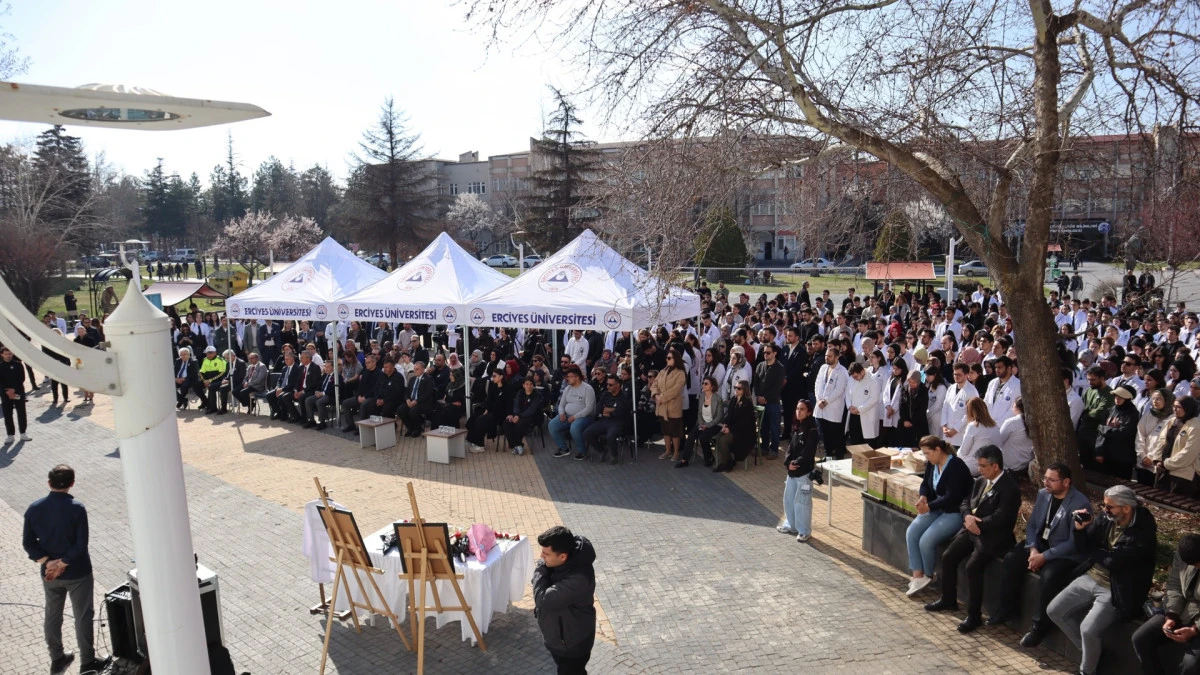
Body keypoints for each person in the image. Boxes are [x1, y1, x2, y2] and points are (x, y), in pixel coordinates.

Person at [1048, 485, 1158, 675]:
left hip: (1116, 589)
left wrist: (1099, 553)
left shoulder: (1144, 533)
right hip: (1091, 576)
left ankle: (1087, 670)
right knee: (1054, 610)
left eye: (1110, 506)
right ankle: (1094, 653)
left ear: (1126, 508)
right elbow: (1085, 548)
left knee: (1088, 630)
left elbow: (1114, 562)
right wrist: (1080, 529)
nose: (1104, 510)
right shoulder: (1106, 518)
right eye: (1104, 505)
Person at [989, 462, 1092, 647]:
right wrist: (1033, 549)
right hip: (1040, 545)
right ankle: (1007, 609)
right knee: (1012, 559)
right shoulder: (1043, 494)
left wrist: (1045, 556)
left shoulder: (1080, 503)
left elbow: (1073, 542)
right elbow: (1032, 525)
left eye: (1052, 480)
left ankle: (1039, 627)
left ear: (1066, 482)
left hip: (1064, 553)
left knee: (1049, 577)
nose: (1046, 482)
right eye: (1045, 478)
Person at [923, 445, 1020, 634]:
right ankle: (948, 600)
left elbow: (1002, 517)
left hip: (994, 537)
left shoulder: (1010, 489)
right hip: (971, 529)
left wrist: (978, 523)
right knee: (949, 556)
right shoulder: (981, 481)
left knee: (973, 567)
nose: (979, 469)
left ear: (996, 466)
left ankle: (974, 615)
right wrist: (967, 518)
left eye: (983, 466)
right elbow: (966, 501)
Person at [22, 465, 109, 674]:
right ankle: (87, 663)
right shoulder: (77, 508)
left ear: (48, 483)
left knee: (52, 614)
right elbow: (81, 545)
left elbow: (28, 543)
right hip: (78, 572)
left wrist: (48, 563)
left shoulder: (34, 508)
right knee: (82, 616)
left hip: (50, 575)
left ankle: (57, 658)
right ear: (72, 483)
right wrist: (63, 563)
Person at [905, 436, 973, 597]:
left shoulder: (956, 466)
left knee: (926, 541)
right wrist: (923, 496)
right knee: (912, 532)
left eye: (928, 453)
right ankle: (917, 575)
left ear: (938, 450)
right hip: (937, 508)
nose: (926, 457)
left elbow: (952, 496)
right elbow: (926, 485)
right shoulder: (932, 463)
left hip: (954, 511)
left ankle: (929, 576)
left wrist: (929, 506)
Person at [1133, 533, 1200, 675]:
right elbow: (1175, 584)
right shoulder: (1185, 552)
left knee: (1191, 664)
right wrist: (1171, 615)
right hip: (1184, 611)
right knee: (1140, 638)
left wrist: (1195, 630)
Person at [533, 526, 596, 674]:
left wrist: (540, 570)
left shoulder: (578, 579)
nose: (541, 557)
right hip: (562, 638)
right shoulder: (563, 561)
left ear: (562, 557)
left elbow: (543, 600)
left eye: (546, 554)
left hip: (572, 645)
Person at [778, 400, 818, 543]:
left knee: (802, 503)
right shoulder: (797, 426)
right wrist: (788, 462)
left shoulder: (812, 430)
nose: (798, 411)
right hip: (792, 472)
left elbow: (808, 452)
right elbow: (790, 447)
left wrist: (796, 463)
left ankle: (804, 531)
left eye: (802, 409)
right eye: (797, 408)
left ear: (809, 412)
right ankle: (791, 525)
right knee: (789, 499)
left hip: (804, 472)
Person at [1148, 395, 1200, 495]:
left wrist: (1167, 464)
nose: (1175, 409)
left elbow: (1189, 452)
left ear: (1188, 408)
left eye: (1179, 407)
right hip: (1163, 470)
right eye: (1174, 406)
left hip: (1183, 474)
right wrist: (1158, 460)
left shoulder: (1196, 426)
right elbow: (1161, 441)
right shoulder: (1172, 421)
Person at [549, 365, 596, 459]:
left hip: (585, 417)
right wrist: (561, 413)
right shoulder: (568, 388)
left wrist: (575, 417)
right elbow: (561, 404)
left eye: (570, 377)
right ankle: (563, 448)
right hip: (567, 415)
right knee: (552, 425)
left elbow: (589, 408)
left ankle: (582, 451)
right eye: (567, 377)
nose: (567, 379)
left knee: (574, 428)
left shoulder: (587, 389)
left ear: (577, 377)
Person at [583, 377, 632, 464]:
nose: (608, 386)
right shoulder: (605, 394)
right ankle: (602, 450)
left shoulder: (624, 396)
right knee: (587, 433)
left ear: (618, 386)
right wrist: (612, 409)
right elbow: (599, 408)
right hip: (604, 420)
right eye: (607, 384)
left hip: (618, 422)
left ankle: (614, 455)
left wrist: (609, 410)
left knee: (610, 436)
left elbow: (621, 411)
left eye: (610, 385)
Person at [1095, 385, 1140, 478]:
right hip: (1107, 456)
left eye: (1121, 397)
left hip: (1123, 458)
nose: (1117, 399)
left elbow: (1122, 433)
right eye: (1116, 396)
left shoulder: (1132, 413)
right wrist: (1099, 451)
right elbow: (1100, 434)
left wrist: (1104, 429)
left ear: (1127, 399)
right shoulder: (1111, 410)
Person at [814, 346, 849, 459]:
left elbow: (839, 390)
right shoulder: (823, 367)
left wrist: (826, 401)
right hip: (821, 406)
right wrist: (819, 399)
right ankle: (828, 456)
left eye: (829, 356)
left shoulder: (842, 371)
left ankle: (839, 458)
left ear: (837, 357)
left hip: (833, 408)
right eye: (826, 356)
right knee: (825, 435)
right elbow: (817, 384)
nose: (827, 358)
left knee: (836, 435)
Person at [713, 381, 756, 472]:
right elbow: (729, 416)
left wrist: (730, 429)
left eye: (739, 388)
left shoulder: (747, 403)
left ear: (744, 390)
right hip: (733, 428)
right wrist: (725, 425)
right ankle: (729, 461)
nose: (736, 390)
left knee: (724, 440)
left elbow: (744, 423)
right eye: (735, 387)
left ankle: (724, 463)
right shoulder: (733, 399)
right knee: (718, 437)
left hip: (743, 431)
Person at [753, 341, 785, 459]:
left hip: (772, 402)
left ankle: (774, 449)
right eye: (764, 352)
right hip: (761, 401)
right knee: (763, 426)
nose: (765, 355)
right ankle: (764, 447)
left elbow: (777, 387)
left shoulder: (779, 368)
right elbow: (756, 383)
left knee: (774, 427)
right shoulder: (760, 365)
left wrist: (766, 398)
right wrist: (758, 396)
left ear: (775, 353)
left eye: (768, 353)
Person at [466, 369, 511, 451]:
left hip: (500, 414)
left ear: (501, 377)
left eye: (494, 376)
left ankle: (480, 445)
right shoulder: (493, 386)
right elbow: (489, 400)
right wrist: (486, 409)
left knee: (481, 419)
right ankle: (472, 439)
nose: (492, 378)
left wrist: (489, 410)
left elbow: (506, 404)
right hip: (491, 410)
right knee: (475, 416)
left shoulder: (507, 389)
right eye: (492, 376)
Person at [686, 376, 725, 467]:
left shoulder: (718, 398)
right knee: (691, 436)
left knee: (703, 437)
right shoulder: (701, 396)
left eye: (706, 384)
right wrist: (701, 424)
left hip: (715, 424)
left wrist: (707, 425)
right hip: (702, 423)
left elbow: (719, 417)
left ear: (712, 387)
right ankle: (685, 460)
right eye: (703, 383)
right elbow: (699, 412)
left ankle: (709, 458)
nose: (703, 385)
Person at [957, 397, 1001, 473]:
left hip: (973, 467)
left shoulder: (973, 427)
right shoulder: (995, 427)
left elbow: (963, 451)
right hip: (991, 467)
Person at [504, 377, 545, 456]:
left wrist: (519, 416)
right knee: (507, 423)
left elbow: (532, 410)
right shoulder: (520, 392)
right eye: (527, 384)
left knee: (519, 424)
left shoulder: (536, 395)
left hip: (533, 417)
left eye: (531, 384)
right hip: (519, 415)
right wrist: (516, 415)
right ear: (523, 385)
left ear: (533, 385)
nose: (529, 386)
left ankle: (517, 445)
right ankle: (518, 444)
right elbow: (516, 405)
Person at [941, 363, 978, 449]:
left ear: (966, 375)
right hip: (947, 433)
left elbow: (970, 414)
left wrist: (955, 430)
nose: (956, 377)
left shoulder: (971, 391)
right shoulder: (951, 388)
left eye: (959, 375)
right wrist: (944, 426)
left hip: (960, 434)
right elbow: (945, 407)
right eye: (954, 374)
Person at [844, 362, 881, 447]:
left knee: (869, 444)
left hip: (867, 415)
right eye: (853, 377)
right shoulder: (851, 379)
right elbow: (847, 394)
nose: (855, 379)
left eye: (856, 377)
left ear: (862, 372)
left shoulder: (873, 380)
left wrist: (860, 409)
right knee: (855, 442)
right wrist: (849, 406)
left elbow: (874, 398)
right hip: (853, 415)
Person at [1, 345, 31, 444]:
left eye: (9, 354)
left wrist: (13, 389)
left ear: (12, 353)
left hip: (18, 394)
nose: (8, 356)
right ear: (2, 355)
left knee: (21, 412)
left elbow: (21, 378)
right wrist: (7, 391)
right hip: (6, 395)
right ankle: (10, 435)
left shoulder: (18, 365)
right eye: (6, 354)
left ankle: (23, 433)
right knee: (8, 414)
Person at [399, 361, 437, 438]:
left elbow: (427, 393)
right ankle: (410, 427)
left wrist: (416, 401)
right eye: (414, 369)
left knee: (413, 411)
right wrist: (407, 399)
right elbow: (407, 392)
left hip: (423, 402)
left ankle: (418, 428)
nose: (415, 371)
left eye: (417, 369)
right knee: (401, 410)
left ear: (423, 370)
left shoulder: (428, 379)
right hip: (411, 401)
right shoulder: (412, 379)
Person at [997, 397, 1034, 474]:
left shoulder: (1011, 422)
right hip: (1025, 464)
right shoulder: (1034, 422)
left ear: (1017, 407)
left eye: (1013, 405)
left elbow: (998, 441)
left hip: (1009, 466)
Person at [303, 361, 337, 430]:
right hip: (321, 394)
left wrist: (323, 393)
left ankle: (322, 422)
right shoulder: (324, 375)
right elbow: (319, 384)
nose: (326, 369)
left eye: (328, 367)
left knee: (319, 402)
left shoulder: (336, 376)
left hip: (330, 395)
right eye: (325, 367)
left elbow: (334, 390)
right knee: (308, 400)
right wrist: (317, 391)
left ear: (333, 368)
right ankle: (311, 420)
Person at [197, 346, 227, 414]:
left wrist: (210, 380)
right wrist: (204, 380)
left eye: (211, 353)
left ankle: (213, 408)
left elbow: (221, 373)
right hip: (206, 380)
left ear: (215, 353)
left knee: (211, 387)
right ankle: (205, 402)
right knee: (196, 385)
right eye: (207, 353)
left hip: (218, 379)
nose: (209, 355)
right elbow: (201, 372)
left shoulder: (220, 360)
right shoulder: (205, 360)